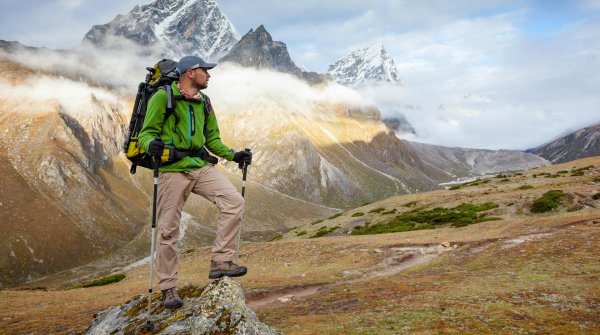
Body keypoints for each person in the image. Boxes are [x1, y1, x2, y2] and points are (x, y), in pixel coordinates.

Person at [138, 55, 252, 309]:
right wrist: (150, 145)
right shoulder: (163, 97)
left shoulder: (205, 103)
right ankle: (168, 288)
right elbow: (146, 134)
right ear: (190, 73)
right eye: (205, 70)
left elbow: (212, 140)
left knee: (233, 201)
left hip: (199, 167)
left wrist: (234, 155)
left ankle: (221, 261)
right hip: (171, 170)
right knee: (168, 230)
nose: (209, 75)